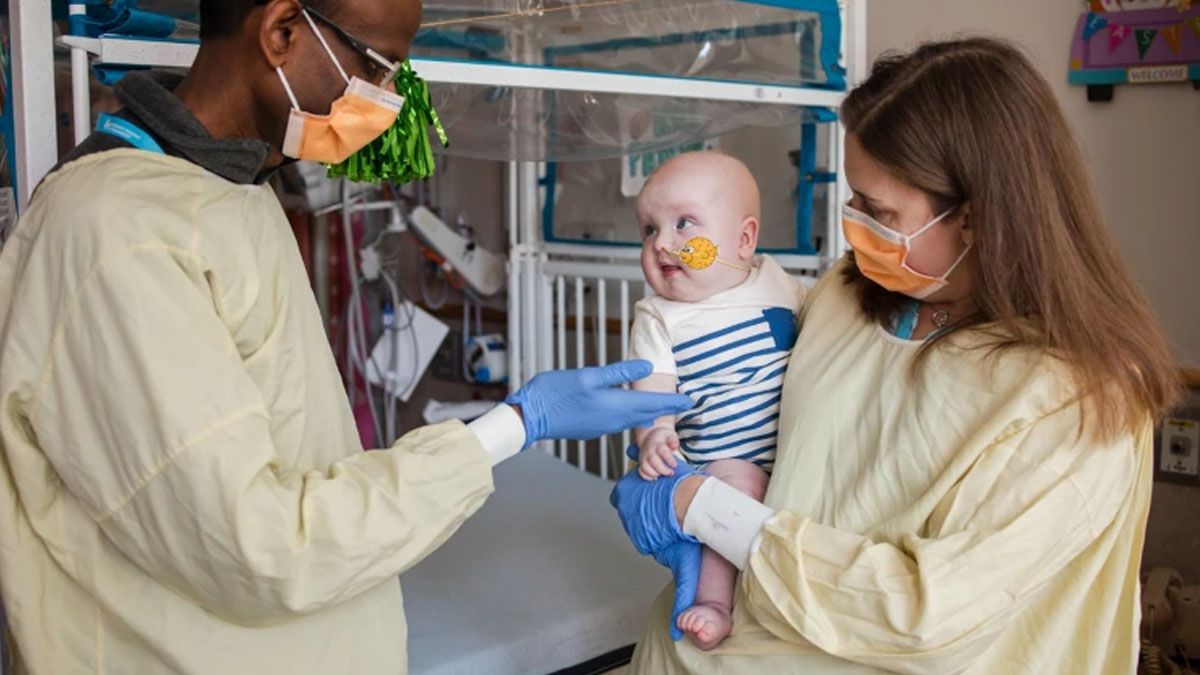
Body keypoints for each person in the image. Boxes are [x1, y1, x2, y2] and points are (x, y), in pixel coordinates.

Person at [0, 1, 692, 673]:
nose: (386, 98)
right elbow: (257, 544)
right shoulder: (116, 231)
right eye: (377, 65)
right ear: (280, 31)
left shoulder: (235, 187)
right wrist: (512, 426)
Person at [611, 37, 1180, 674]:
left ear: (975, 217)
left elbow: (924, 618)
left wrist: (704, 508)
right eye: (854, 198)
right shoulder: (843, 299)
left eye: (876, 210)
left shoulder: (1075, 403)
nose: (853, 225)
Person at [628, 152, 805, 650]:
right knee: (737, 494)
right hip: (724, 461)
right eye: (648, 229)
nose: (662, 242)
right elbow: (653, 389)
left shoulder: (777, 284)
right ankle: (714, 602)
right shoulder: (660, 317)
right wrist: (655, 435)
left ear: (744, 240)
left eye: (683, 223)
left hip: (793, 452)